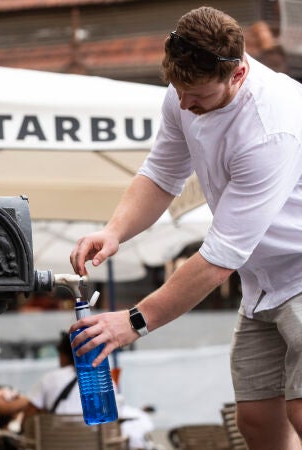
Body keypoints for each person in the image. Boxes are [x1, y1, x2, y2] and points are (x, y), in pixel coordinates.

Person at [69, 7, 302, 450]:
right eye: (177, 90)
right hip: (262, 283)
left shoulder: (271, 128)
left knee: (300, 409)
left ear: (237, 75)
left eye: (197, 96)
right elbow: (161, 174)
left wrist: (134, 321)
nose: (184, 105)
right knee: (255, 417)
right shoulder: (183, 94)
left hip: (298, 270)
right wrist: (115, 231)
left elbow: (218, 260)